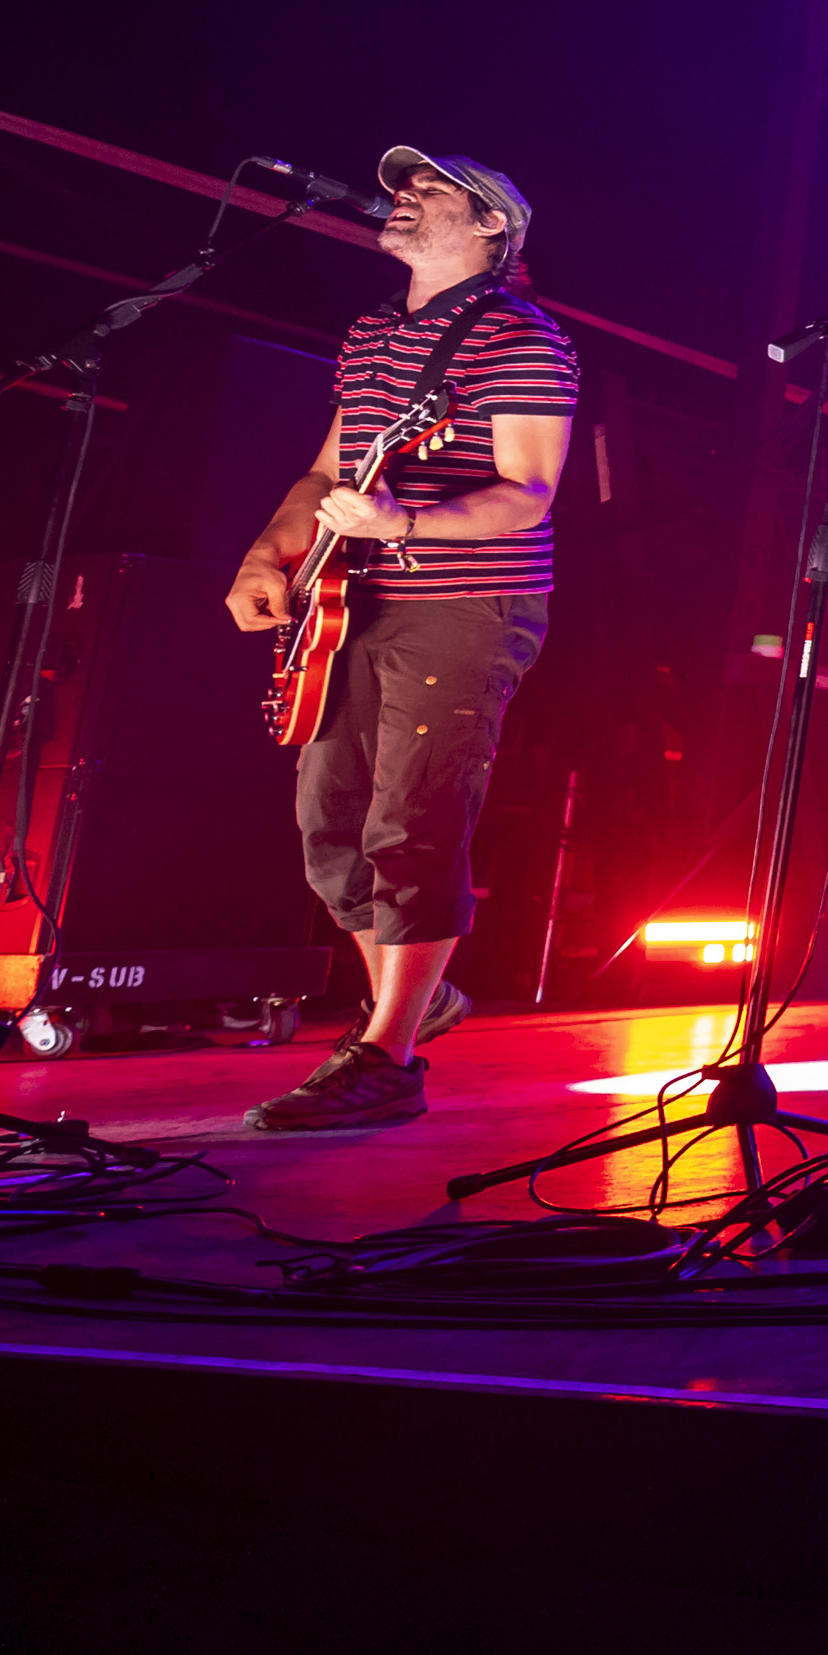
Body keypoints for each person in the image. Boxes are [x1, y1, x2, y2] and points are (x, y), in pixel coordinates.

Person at [227, 148, 577, 1132]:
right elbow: (326, 470)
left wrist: (406, 522)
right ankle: (421, 997)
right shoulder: (374, 333)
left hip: (466, 602)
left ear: (492, 225)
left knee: (412, 823)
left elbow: (527, 492)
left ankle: (389, 1057)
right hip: (355, 598)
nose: (403, 196)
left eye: (430, 188)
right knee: (328, 825)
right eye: (401, 186)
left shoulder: (520, 336)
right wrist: (264, 556)